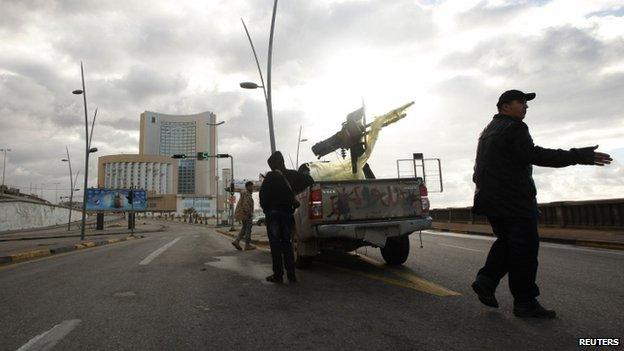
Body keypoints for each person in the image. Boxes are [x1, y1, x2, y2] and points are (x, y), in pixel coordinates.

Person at [471, 89, 612, 319]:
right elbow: (535, 155)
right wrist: (578, 156)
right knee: (525, 251)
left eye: (527, 103)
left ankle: (486, 280)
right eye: (521, 102)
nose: (526, 106)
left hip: (491, 200)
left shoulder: (487, 130)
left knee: (508, 242)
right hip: (513, 201)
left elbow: (479, 169)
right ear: (505, 106)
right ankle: (525, 302)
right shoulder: (514, 127)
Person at [259, 151, 313, 284]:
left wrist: (267, 210)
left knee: (275, 245)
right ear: (283, 161)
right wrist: (295, 192)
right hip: (287, 214)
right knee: (287, 244)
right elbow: (309, 180)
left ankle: (278, 275)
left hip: (273, 215)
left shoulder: (270, 177)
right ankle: (291, 275)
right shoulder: (292, 175)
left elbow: (262, 197)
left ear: (272, 165)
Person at [232, 181, 255, 251]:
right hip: (246, 215)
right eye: (251, 186)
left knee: (244, 229)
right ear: (248, 187)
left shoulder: (245, 193)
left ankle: (237, 241)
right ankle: (247, 245)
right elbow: (246, 205)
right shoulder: (247, 194)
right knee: (248, 229)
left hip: (243, 214)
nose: (252, 188)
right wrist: (249, 213)